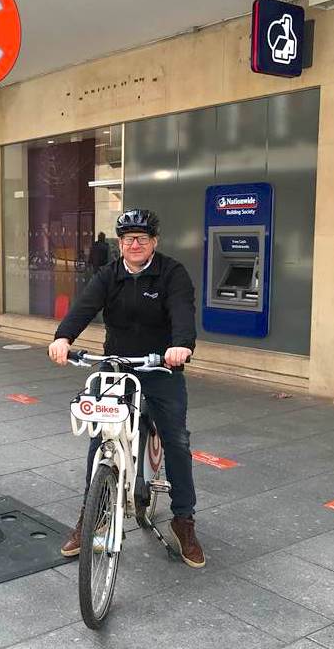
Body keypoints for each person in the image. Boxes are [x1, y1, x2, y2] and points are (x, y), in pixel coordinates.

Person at [48, 209, 204, 568]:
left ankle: (184, 519)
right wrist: (63, 337)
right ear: (119, 243)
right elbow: (84, 307)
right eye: (128, 239)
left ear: (154, 242)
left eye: (142, 238)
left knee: (177, 440)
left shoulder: (172, 273)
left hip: (162, 366)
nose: (135, 244)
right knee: (100, 437)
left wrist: (180, 346)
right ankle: (93, 514)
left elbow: (183, 312)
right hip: (118, 366)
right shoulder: (109, 275)